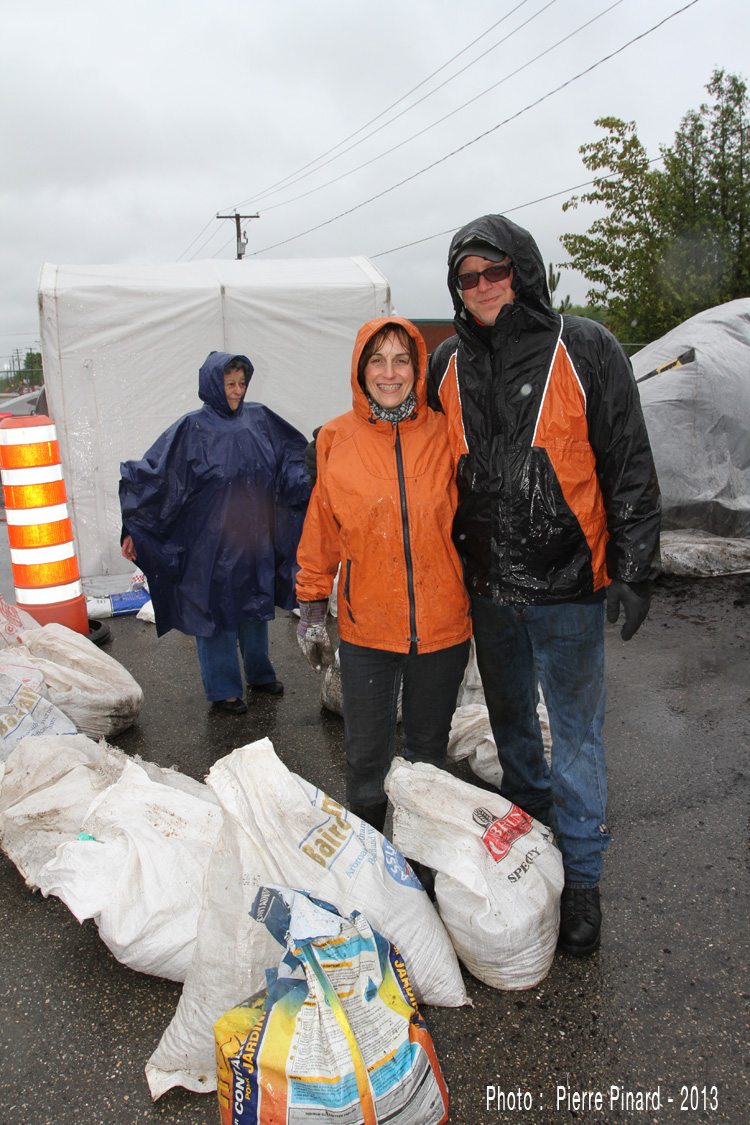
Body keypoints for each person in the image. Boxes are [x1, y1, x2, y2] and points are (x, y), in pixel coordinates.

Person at [427, 214, 661, 955]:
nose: (484, 287)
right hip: (491, 590)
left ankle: (583, 880)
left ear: (522, 272)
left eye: (495, 271)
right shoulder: (444, 366)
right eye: (469, 278)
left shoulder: (585, 346)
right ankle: (534, 854)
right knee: (514, 734)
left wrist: (634, 564)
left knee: (580, 741)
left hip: (568, 589)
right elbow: (419, 461)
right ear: (457, 291)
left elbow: (627, 456)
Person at [295, 318, 472, 831]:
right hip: (367, 627)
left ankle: (423, 865)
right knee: (366, 761)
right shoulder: (335, 438)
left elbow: (477, 519)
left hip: (441, 628)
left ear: (417, 369)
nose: (389, 372)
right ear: (360, 369)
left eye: (401, 360)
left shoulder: (446, 431)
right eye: (377, 359)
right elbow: (321, 531)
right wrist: (310, 610)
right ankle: (373, 868)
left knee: (426, 761)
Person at [119, 350, 310, 714]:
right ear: (212, 385)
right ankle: (224, 689)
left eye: (241, 383)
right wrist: (133, 527)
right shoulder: (192, 429)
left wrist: (309, 475)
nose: (237, 391)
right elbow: (155, 478)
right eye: (229, 384)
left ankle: (259, 673)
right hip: (212, 542)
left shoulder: (260, 420)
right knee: (216, 612)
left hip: (255, 537)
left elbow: (291, 457)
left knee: (255, 606)